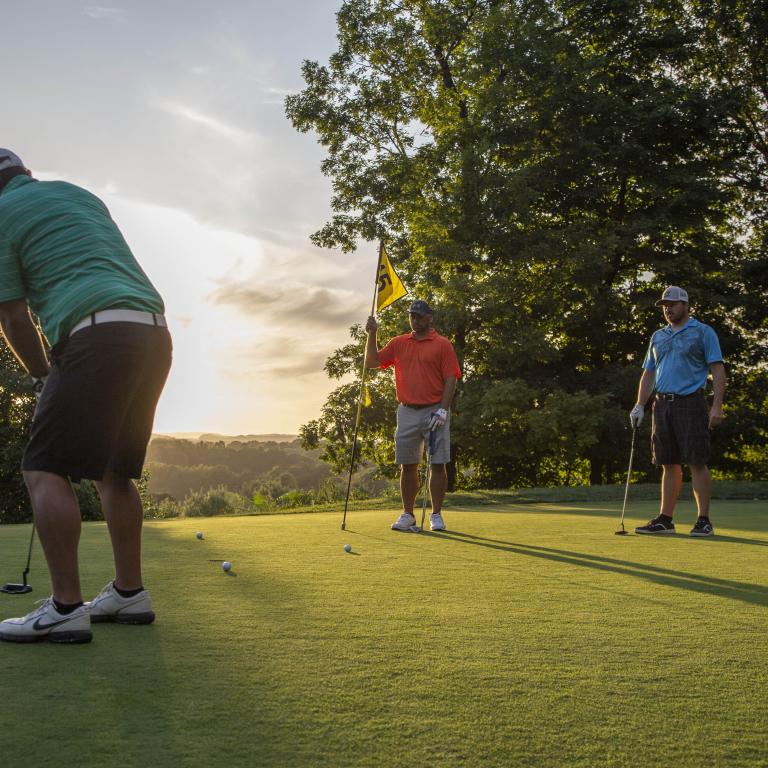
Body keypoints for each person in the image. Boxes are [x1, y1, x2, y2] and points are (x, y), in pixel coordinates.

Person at [0, 149, 172, 644]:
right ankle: (129, 593)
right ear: (25, 174)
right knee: (113, 471)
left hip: (95, 334)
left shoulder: (2, 216)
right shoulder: (77, 194)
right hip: (153, 333)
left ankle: (65, 609)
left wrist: (40, 375)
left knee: (42, 467)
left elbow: (11, 316)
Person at [629, 286, 725, 537]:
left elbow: (717, 370)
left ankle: (703, 520)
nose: (668, 309)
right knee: (667, 462)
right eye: (664, 305)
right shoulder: (657, 336)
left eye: (672, 304)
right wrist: (640, 404)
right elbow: (649, 373)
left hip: (691, 402)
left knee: (697, 461)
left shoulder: (703, 332)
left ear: (685, 305)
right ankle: (665, 519)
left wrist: (717, 406)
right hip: (661, 404)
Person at [365, 300, 461, 532]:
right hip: (407, 410)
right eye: (412, 316)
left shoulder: (442, 344)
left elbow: (451, 378)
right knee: (407, 465)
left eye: (419, 316)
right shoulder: (399, 343)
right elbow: (372, 362)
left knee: (438, 464)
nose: (414, 320)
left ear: (429, 318)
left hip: (434, 410)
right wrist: (373, 333)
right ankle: (407, 514)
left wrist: (443, 409)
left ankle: (436, 515)